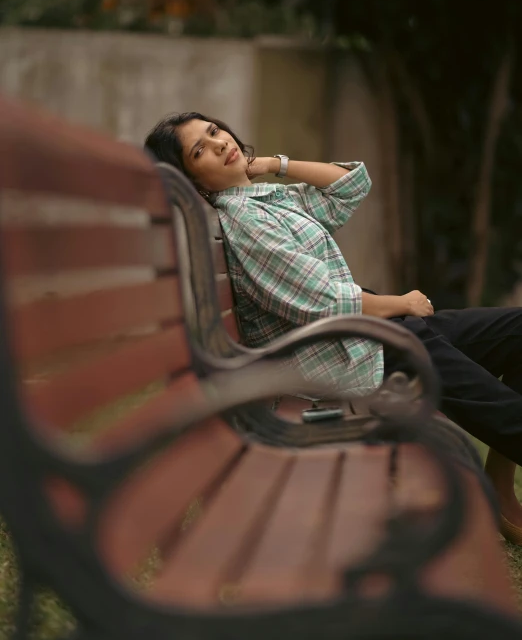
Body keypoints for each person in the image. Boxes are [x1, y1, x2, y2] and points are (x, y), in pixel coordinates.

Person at [145, 111, 522, 542]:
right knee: (497, 407)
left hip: (369, 335)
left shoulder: (266, 199)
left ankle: (498, 482)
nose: (218, 144)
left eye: (214, 132)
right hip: (351, 355)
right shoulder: (248, 223)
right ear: (195, 181)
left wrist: (275, 164)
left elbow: (350, 185)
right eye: (200, 151)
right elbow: (323, 302)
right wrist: (402, 302)